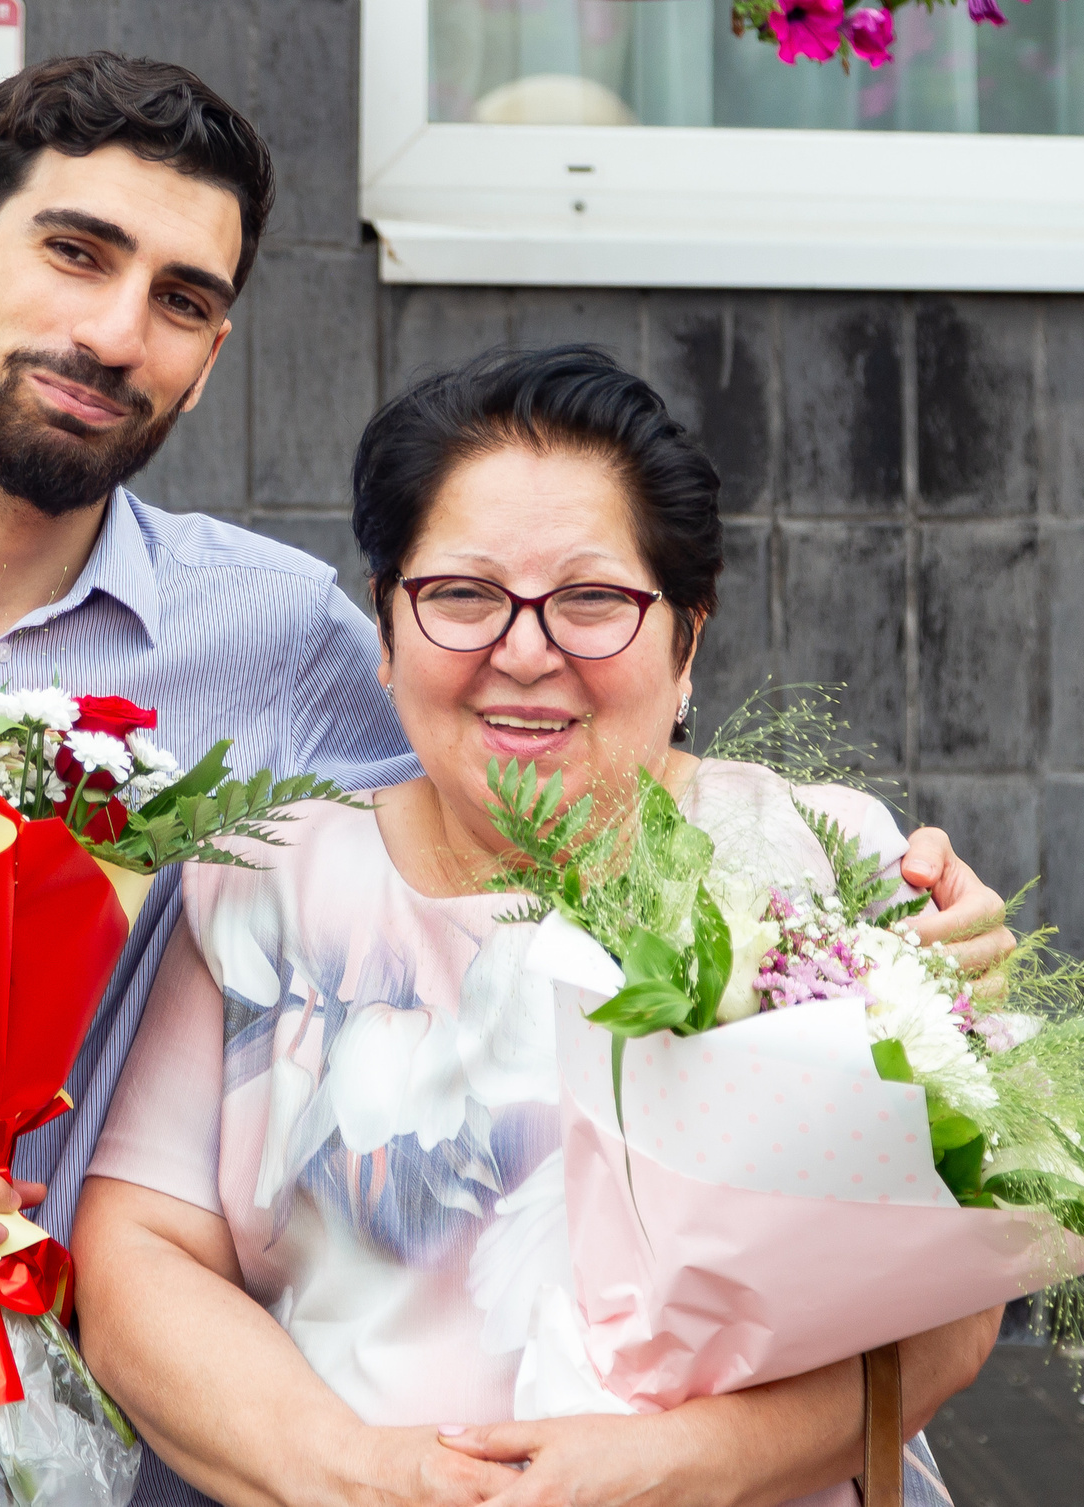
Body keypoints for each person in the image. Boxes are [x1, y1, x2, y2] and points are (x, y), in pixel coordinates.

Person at [0, 55, 1015, 1507]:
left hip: (150, 1451)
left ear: (208, 359)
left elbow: (525, 821)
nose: (117, 330)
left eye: (182, 299)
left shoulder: (275, 641)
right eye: (77, 252)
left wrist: (887, 924)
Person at [75, 346, 1004, 1507]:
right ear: (385, 625)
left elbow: (950, 1310)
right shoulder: (263, 881)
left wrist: (676, 1469)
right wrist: (362, 1478)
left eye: (591, 600)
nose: (523, 651)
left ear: (687, 640)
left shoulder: (813, 867)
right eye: (461, 596)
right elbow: (138, 1257)